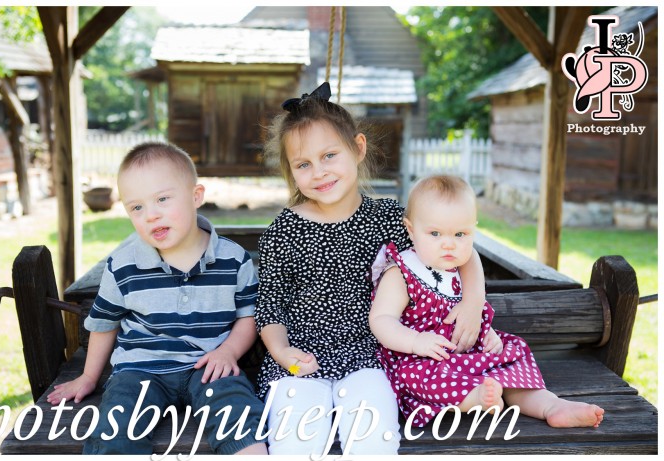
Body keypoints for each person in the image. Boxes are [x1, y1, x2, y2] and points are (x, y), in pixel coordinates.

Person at [254, 82, 488, 455]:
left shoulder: (391, 219)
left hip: (371, 356)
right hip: (299, 360)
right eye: (303, 164)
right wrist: (280, 351)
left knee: (373, 437)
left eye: (329, 155)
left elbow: (460, 252)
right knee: (295, 440)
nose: (319, 172)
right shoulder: (284, 231)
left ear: (358, 148)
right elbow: (271, 304)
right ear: (291, 172)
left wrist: (474, 301)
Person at [46, 142, 268, 455]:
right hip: (141, 369)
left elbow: (249, 314)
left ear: (196, 196)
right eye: (136, 207)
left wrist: (229, 351)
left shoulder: (233, 259)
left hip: (208, 364)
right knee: (117, 423)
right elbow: (104, 323)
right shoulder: (123, 266)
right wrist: (88, 376)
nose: (151, 215)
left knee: (236, 406)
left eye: (162, 199)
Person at [369, 174, 605, 428]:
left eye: (460, 234)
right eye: (435, 233)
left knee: (509, 354)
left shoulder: (459, 269)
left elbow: (471, 314)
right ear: (411, 230)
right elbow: (381, 320)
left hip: (471, 355)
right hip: (424, 359)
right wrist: (416, 342)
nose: (448, 244)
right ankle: (476, 399)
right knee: (414, 377)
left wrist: (487, 334)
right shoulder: (402, 272)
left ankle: (551, 406)